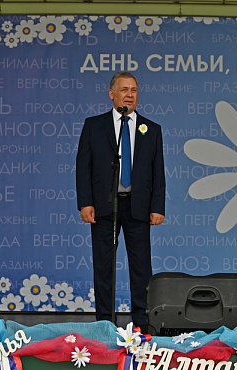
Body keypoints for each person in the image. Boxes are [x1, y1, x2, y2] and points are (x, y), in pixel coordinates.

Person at [76, 71, 165, 328]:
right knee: (104, 268)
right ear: (111, 93)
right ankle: (105, 322)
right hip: (105, 206)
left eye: (134, 90)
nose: (129, 95)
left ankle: (142, 323)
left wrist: (157, 206)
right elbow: (83, 167)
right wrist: (85, 203)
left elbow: (157, 171)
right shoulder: (94, 126)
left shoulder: (151, 129)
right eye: (124, 89)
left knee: (141, 269)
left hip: (138, 206)